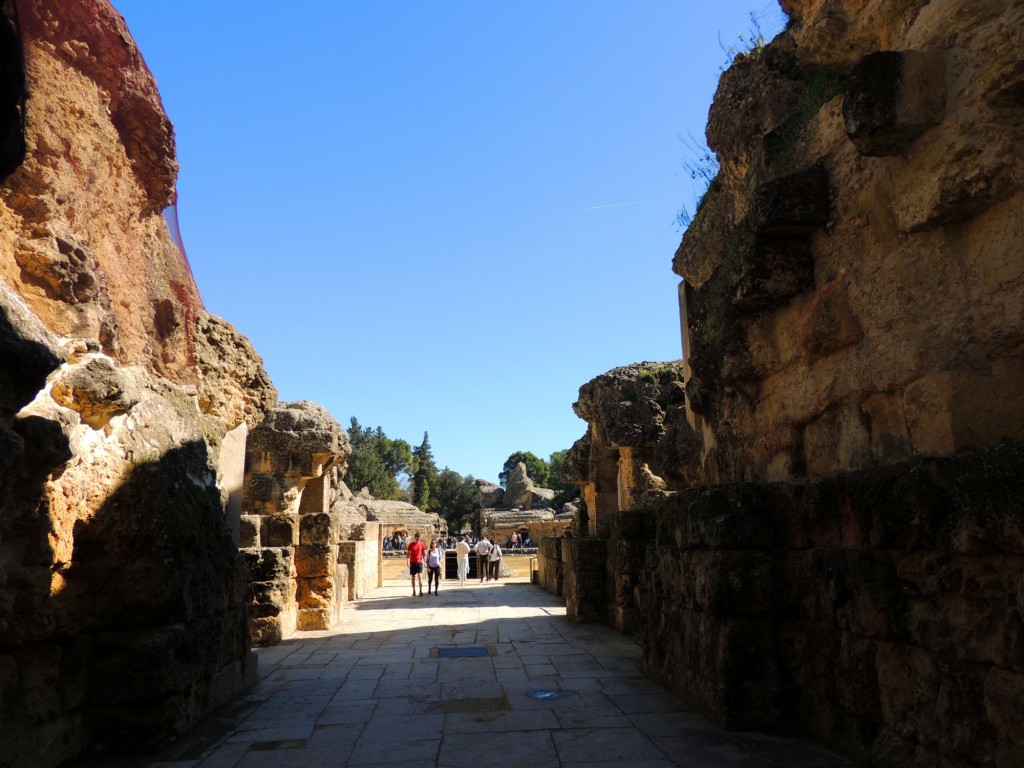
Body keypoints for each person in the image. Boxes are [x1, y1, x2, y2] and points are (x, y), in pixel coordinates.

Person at [407, 532, 426, 596]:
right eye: (417, 539)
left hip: (419, 562)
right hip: (412, 562)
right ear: (415, 538)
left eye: (419, 539)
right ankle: (414, 590)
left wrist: (425, 560)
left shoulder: (422, 544)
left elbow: (423, 552)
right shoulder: (411, 545)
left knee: (420, 577)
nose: (418, 540)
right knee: (413, 577)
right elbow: (408, 553)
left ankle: (420, 590)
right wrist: (407, 561)